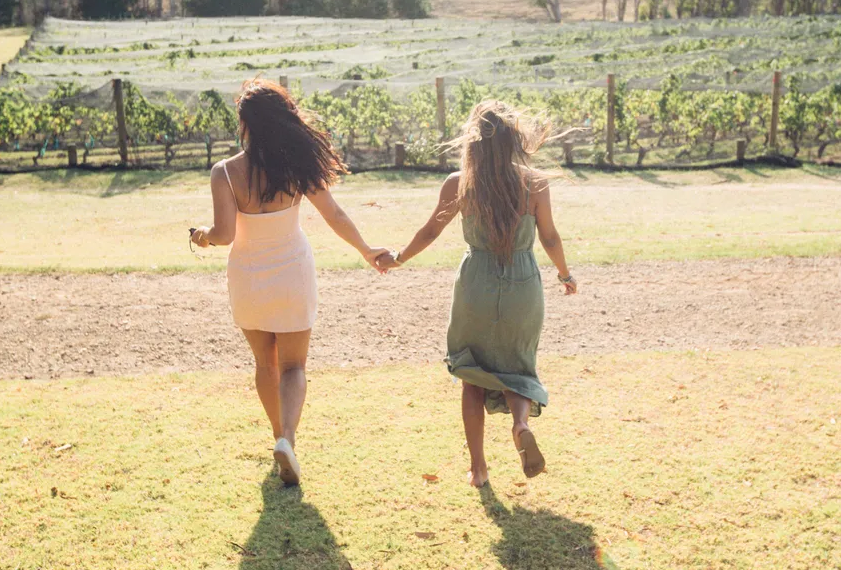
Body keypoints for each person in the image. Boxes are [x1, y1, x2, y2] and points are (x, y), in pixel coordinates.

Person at [191, 80, 389, 486]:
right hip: (292, 271)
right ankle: (288, 439)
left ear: (246, 124)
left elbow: (225, 234)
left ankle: (277, 436)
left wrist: (202, 237)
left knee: (266, 362)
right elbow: (334, 215)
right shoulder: (297, 163)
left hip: (247, 274)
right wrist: (366, 250)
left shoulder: (225, 172)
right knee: (295, 365)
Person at [377, 101, 577, 487]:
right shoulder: (534, 183)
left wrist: (399, 258)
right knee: (517, 369)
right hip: (523, 283)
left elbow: (430, 233)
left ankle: (479, 469)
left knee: (472, 375)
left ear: (474, 143)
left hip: (476, 285)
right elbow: (549, 236)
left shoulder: (459, 183)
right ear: (514, 141)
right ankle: (520, 425)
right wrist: (565, 274)